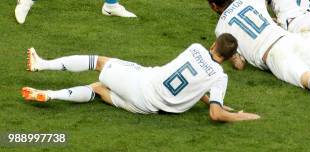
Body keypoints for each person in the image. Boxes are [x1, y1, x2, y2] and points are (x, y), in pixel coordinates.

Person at [21, 34, 260, 122]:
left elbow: (212, 109)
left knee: (99, 62)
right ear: (228, 58)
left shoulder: (195, 48)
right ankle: (50, 95)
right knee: (98, 89)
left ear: (213, 44)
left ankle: (41, 64)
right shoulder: (219, 77)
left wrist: (242, 115)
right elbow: (213, 109)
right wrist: (240, 114)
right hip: (146, 108)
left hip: (142, 82)